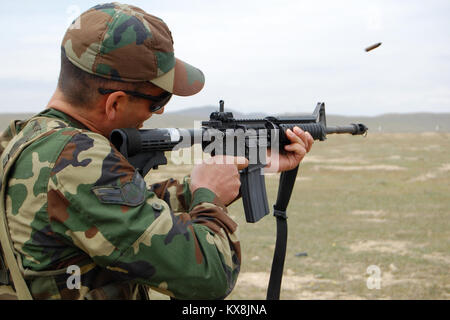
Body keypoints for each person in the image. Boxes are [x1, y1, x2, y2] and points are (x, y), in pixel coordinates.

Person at [0, 2, 313, 300]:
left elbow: (121, 212)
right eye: (157, 101)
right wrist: (209, 197)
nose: (160, 113)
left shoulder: (28, 138)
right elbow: (208, 275)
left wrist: (235, 173)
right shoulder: (78, 158)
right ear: (115, 103)